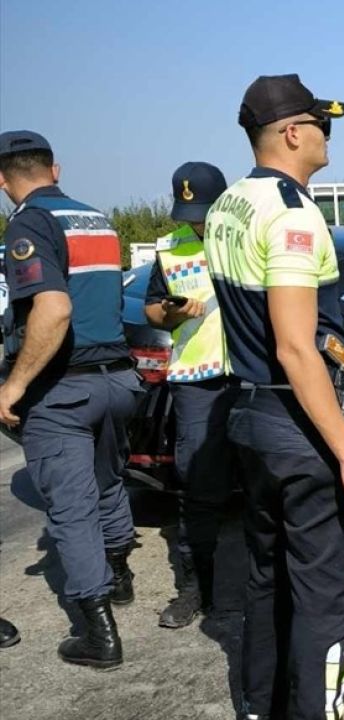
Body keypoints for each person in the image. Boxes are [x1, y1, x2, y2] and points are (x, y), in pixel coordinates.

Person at [204, 74, 344, 719]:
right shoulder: (291, 210)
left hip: (250, 412)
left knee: (265, 580)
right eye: (321, 124)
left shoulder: (228, 204)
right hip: (296, 418)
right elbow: (296, 347)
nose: (328, 135)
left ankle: (261, 707)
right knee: (324, 596)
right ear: (291, 132)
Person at [0, 130, 141, 668]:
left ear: (3, 179)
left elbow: (54, 310)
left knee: (72, 509)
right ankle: (121, 572)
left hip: (65, 389)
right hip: (117, 382)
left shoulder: (29, 224)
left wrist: (14, 384)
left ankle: (97, 633)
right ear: (54, 171)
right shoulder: (95, 218)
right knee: (107, 482)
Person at [143, 161, 234, 629]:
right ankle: (196, 589)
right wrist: (172, 312)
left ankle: (262, 587)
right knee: (197, 488)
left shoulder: (244, 240)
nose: (195, 220)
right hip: (196, 381)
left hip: (249, 376)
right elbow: (154, 311)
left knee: (266, 483)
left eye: (203, 211)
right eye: (188, 211)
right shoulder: (170, 250)